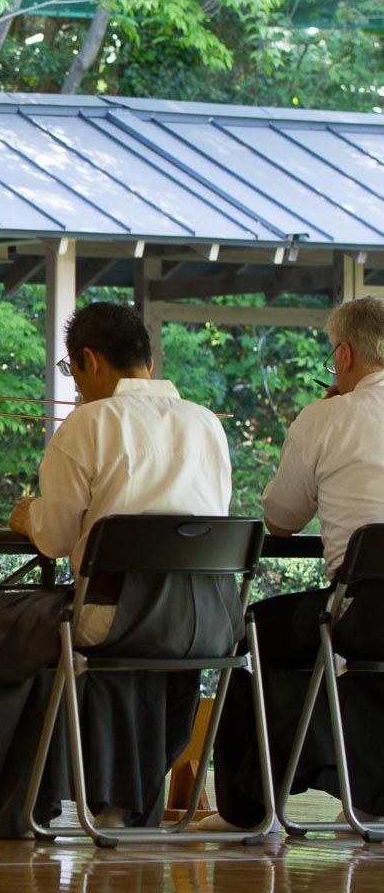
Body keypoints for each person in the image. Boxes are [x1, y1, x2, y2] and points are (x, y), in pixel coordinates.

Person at [0, 302, 238, 839]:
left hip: (114, 616)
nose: (76, 385)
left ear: (90, 360)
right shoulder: (207, 423)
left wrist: (28, 516)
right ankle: (124, 804)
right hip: (206, 621)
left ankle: (8, 809)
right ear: (148, 361)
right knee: (93, 645)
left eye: (72, 370)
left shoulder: (89, 423)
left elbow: (57, 539)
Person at [209, 296, 384, 828]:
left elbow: (281, 519)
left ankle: (248, 809)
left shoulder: (328, 417)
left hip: (364, 611)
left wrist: (325, 417)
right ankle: (363, 791)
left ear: (345, 355)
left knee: (253, 632)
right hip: (364, 617)